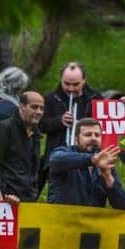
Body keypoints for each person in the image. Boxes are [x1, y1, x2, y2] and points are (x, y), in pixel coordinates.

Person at [38, 62, 103, 194]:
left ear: (84, 80)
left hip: (88, 156)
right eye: (66, 84)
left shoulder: (95, 98)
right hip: (59, 157)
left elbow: (107, 120)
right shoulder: (51, 98)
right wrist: (59, 121)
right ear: (61, 79)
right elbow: (41, 125)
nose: (71, 88)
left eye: (76, 84)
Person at [47, 118, 125, 209]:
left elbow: (123, 206)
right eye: (88, 135)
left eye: (97, 135)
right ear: (76, 139)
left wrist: (108, 179)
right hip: (63, 217)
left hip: (93, 218)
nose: (93, 138)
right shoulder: (65, 153)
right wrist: (92, 159)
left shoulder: (106, 164)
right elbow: (55, 159)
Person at [0, 91, 44, 202]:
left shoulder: (35, 134)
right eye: (34, 107)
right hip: (7, 200)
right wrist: (2, 194)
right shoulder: (4, 129)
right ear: (22, 107)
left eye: (41, 108)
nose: (38, 112)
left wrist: (33, 190)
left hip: (28, 198)